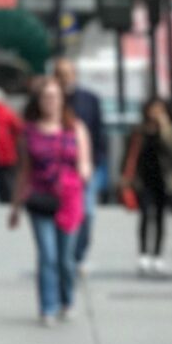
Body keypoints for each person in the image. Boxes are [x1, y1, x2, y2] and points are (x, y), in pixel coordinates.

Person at [11, 74, 90, 324]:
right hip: (39, 199)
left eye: (55, 96)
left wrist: (83, 176)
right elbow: (23, 171)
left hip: (69, 199)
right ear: (38, 101)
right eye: (46, 97)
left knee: (66, 259)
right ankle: (48, 306)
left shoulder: (75, 128)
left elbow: (85, 163)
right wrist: (15, 207)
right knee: (47, 255)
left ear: (62, 99)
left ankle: (67, 300)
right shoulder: (28, 132)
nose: (50, 101)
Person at [53, 56, 105, 267]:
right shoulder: (49, 99)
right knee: (61, 216)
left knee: (88, 214)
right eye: (60, 74)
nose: (65, 78)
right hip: (57, 170)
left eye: (68, 73)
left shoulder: (89, 99)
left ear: (75, 75)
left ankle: (78, 255)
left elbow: (99, 133)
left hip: (85, 168)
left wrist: (97, 162)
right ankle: (64, 256)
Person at [120, 96, 172, 272]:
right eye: (153, 110)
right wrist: (124, 175)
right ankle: (144, 253)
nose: (155, 114)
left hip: (164, 180)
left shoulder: (171, 130)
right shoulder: (138, 131)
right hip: (143, 179)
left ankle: (158, 254)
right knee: (145, 214)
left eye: (160, 110)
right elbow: (129, 154)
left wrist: (164, 129)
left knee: (161, 217)